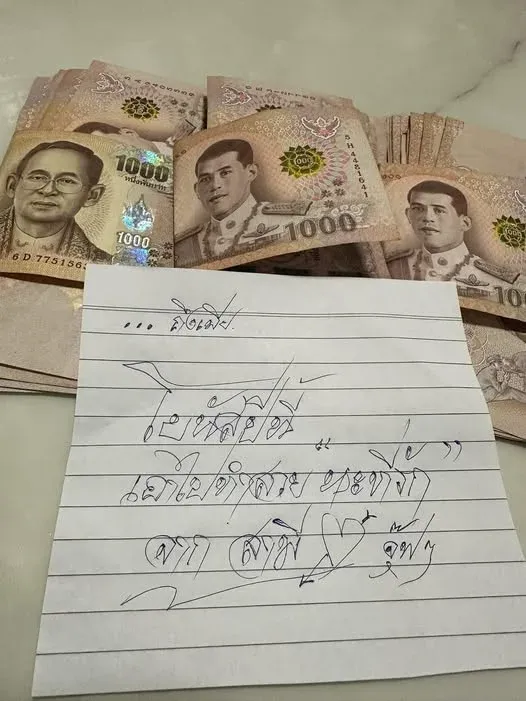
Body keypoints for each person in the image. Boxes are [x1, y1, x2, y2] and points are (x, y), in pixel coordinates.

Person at [173, 138, 311, 265]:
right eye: (205, 179)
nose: (215, 185)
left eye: (225, 173)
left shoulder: (291, 221)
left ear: (251, 172)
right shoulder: (182, 246)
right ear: (197, 190)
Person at [388, 180, 520, 288]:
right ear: (408, 215)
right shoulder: (392, 266)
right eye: (417, 209)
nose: (427, 218)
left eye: (439, 211)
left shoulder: (498, 281)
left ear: (465, 223)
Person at [0, 140, 110, 261]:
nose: (48, 190)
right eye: (37, 177)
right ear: (12, 186)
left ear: (92, 196)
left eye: (67, 181)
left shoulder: (102, 263)